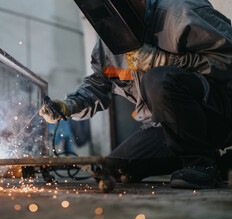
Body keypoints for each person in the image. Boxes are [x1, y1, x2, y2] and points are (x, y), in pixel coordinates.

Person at [39, 0, 232, 189]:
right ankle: (220, 164)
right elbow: (99, 84)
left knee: (158, 78)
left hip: (216, 111)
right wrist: (68, 106)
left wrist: (166, 61)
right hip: (167, 126)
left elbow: (228, 59)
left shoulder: (181, 13)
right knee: (114, 169)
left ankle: (200, 163)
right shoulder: (110, 41)